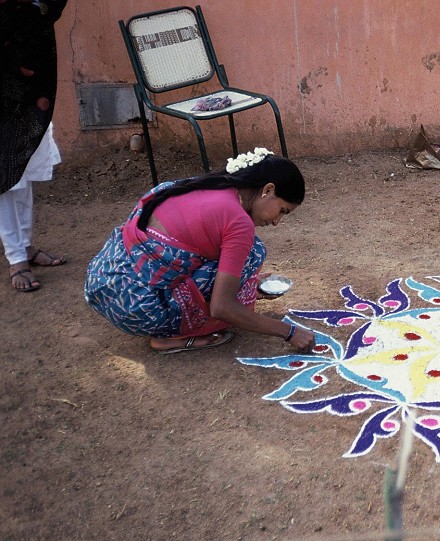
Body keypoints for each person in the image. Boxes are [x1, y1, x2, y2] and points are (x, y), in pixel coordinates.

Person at [84, 148, 315, 354]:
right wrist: (289, 331)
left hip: (106, 285)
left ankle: (170, 317)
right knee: (252, 253)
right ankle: (169, 336)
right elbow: (221, 307)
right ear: (268, 190)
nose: (277, 222)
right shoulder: (238, 222)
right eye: (282, 210)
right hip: (142, 310)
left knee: (239, 260)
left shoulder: (202, 185)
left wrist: (245, 283)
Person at [1, 0, 69, 292]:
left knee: (24, 163)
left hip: (35, 74)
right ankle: (16, 258)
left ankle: (25, 246)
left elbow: (49, 8)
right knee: (4, 169)